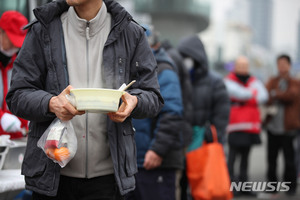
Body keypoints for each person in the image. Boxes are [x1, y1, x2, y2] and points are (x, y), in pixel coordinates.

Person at [6, 0, 164, 199]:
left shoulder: (130, 33)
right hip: (52, 177)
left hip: (109, 180)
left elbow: (153, 96)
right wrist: (50, 103)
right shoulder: (42, 30)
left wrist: (134, 102)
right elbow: (17, 95)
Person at [126, 26, 184, 200]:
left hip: (154, 160)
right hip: (135, 160)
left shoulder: (164, 71)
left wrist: (157, 150)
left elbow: (172, 114)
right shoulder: (136, 70)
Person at [177, 35, 230, 199]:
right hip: (180, 142)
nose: (186, 61)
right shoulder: (178, 78)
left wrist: (213, 135)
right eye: (183, 57)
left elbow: (222, 115)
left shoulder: (215, 82)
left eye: (189, 57)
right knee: (181, 184)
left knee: (203, 186)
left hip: (203, 143)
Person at [224, 56, 268, 196]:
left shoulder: (254, 81)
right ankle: (230, 186)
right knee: (232, 159)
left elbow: (264, 96)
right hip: (235, 127)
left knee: (245, 159)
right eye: (240, 65)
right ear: (235, 67)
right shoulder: (228, 80)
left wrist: (245, 97)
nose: (243, 68)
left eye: (245, 65)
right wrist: (252, 95)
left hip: (251, 127)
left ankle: (244, 186)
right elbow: (235, 93)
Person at [264, 54, 300, 196]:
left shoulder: (295, 82)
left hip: (289, 128)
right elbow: (265, 95)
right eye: (279, 64)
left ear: (289, 65)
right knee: (271, 159)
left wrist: (274, 93)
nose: (282, 67)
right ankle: (272, 185)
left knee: (289, 159)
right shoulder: (272, 80)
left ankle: (290, 186)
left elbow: (290, 96)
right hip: (272, 127)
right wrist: (274, 93)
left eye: (284, 64)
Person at [0, 11, 28, 139]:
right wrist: (1, 117)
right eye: (12, 40)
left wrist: (27, 122)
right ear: (1, 32)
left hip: (11, 140)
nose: (15, 46)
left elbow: (19, 98)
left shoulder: (19, 64)